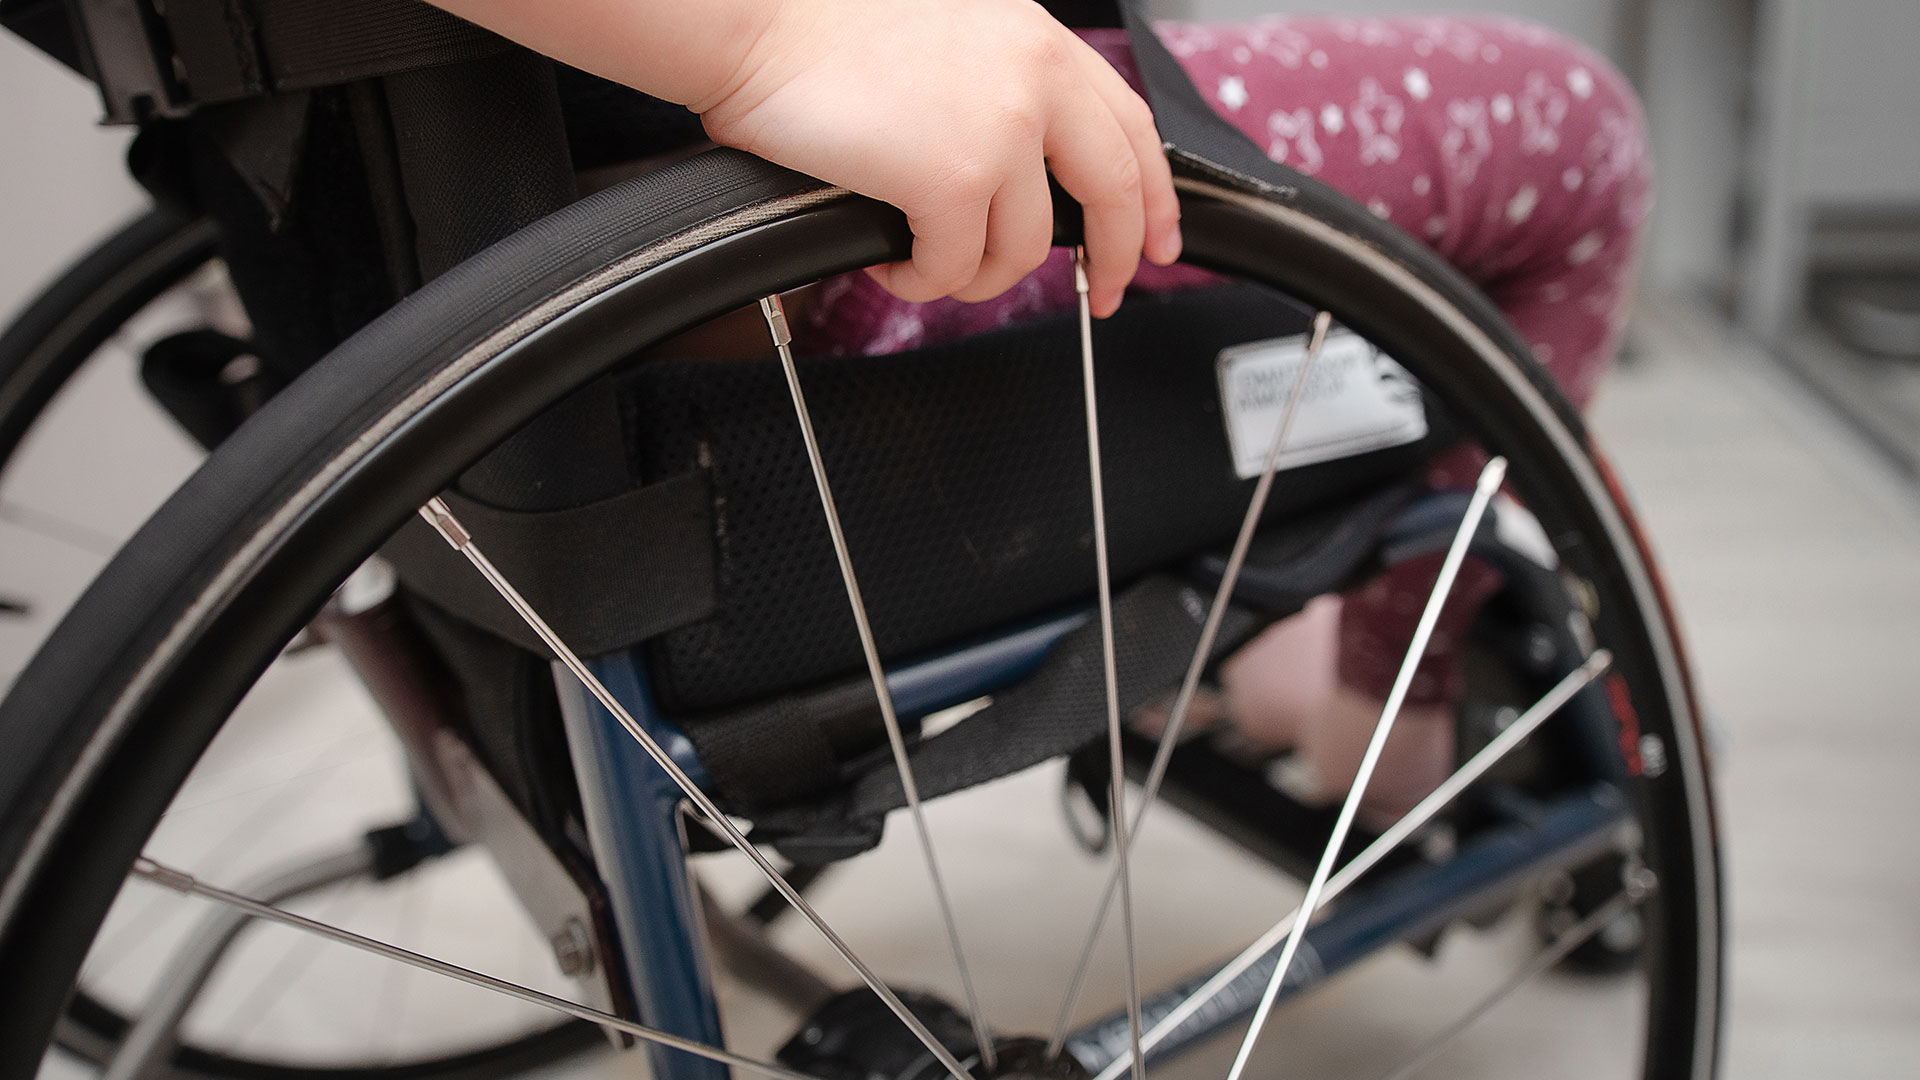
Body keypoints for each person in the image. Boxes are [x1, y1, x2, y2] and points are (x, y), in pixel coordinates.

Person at [430, 0, 1651, 819]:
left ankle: (1291, 633)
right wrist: (771, 38)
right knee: (1578, 134)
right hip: (834, 218)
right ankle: (1386, 705)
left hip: (578, 265)